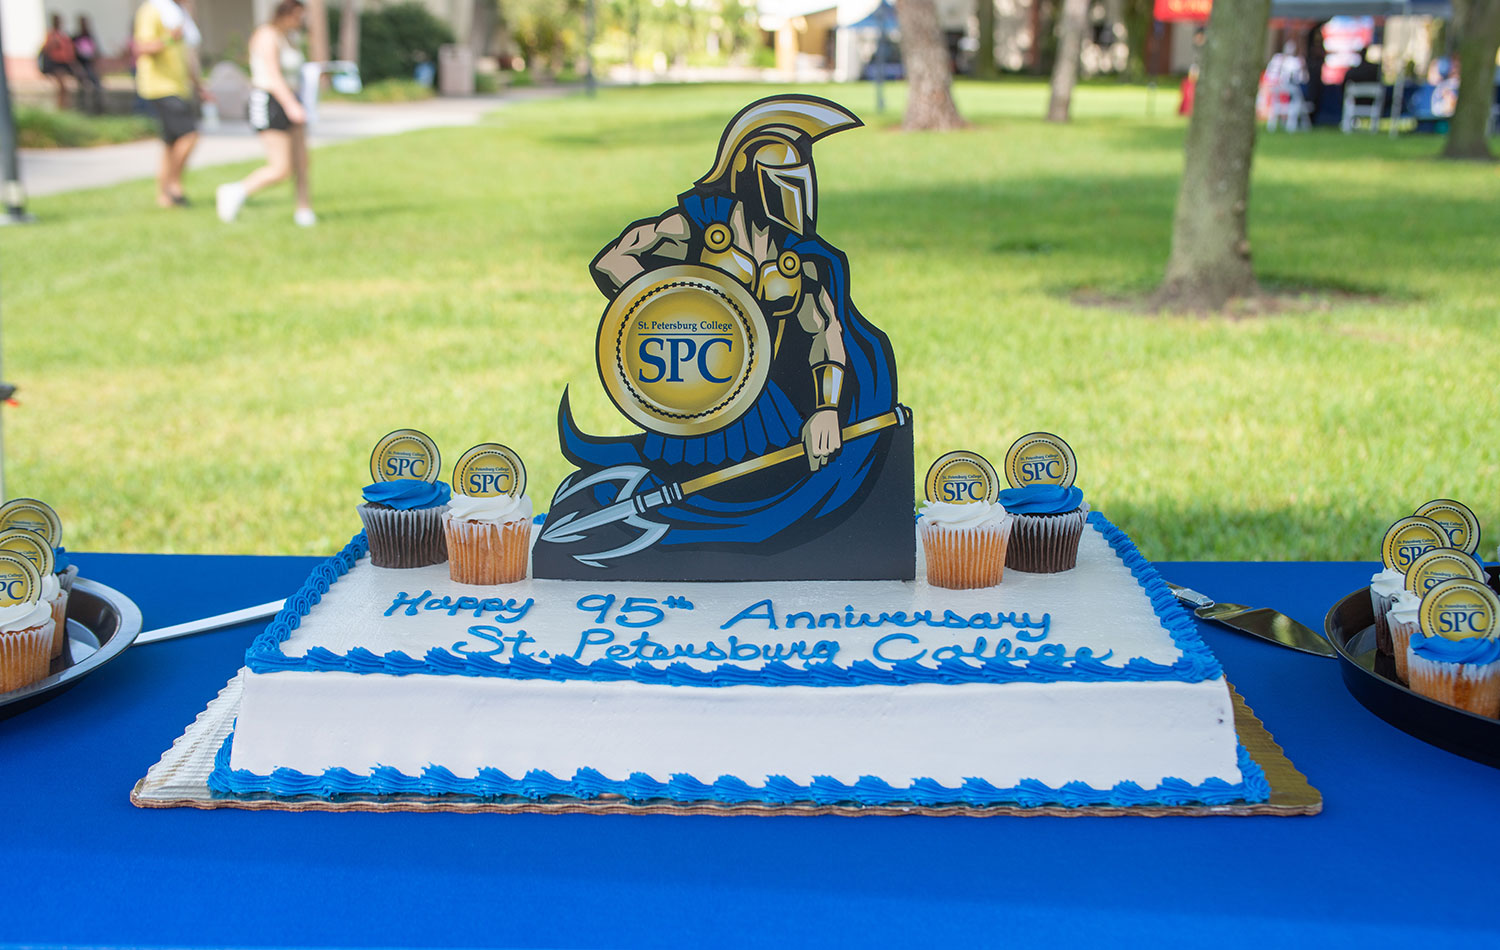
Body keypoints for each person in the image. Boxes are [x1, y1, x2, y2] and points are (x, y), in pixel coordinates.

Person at [216, 1, 315, 226]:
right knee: (281, 167)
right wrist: (290, 105)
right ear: (285, 14)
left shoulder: (291, 37)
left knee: (302, 161)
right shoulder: (267, 35)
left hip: (293, 99)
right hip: (270, 100)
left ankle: (304, 209)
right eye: (298, 16)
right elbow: (273, 75)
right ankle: (236, 191)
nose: (300, 21)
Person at [134, 0, 205, 208]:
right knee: (189, 135)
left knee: (170, 143)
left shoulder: (177, 12)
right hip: (160, 86)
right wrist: (169, 38)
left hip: (179, 86)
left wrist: (198, 85)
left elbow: (185, 53)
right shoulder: (152, 10)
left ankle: (163, 196)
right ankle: (173, 185)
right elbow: (141, 47)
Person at [39, 15, 78, 111]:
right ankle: (61, 107)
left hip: (64, 63)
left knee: (67, 85)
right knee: (62, 85)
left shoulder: (63, 36)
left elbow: (69, 51)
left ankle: (65, 106)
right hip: (55, 64)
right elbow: (45, 50)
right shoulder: (51, 35)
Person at [71, 16, 104, 114]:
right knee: (83, 87)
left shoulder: (90, 37)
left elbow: (96, 52)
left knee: (97, 85)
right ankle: (82, 108)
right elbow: (73, 55)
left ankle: (98, 108)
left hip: (90, 66)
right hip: (81, 66)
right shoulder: (76, 38)